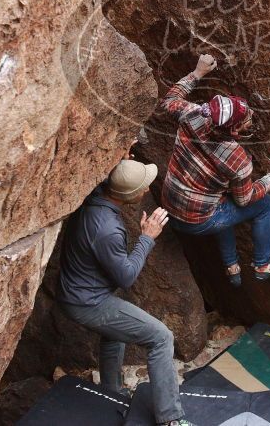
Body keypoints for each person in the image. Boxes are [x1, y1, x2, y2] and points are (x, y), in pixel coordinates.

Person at [56, 157, 196, 426]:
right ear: (130, 195)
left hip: (76, 293)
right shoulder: (108, 230)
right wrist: (147, 237)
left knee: (116, 332)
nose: (146, 190)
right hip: (87, 303)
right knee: (161, 337)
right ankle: (171, 419)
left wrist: (125, 158)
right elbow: (127, 276)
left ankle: (110, 394)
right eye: (142, 187)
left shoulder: (94, 195)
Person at [161, 54, 270, 287]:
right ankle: (263, 264)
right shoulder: (237, 159)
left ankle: (232, 266)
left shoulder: (193, 114)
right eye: (245, 119)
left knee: (222, 198)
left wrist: (198, 72)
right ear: (234, 131)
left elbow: (170, 99)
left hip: (169, 209)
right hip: (197, 221)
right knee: (263, 205)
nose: (250, 116)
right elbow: (245, 200)